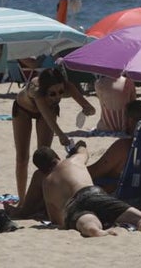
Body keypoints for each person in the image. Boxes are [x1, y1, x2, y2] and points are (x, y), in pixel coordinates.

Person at [35, 143, 141, 237]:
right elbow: (84, 152)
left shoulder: (46, 183)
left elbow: (56, 219)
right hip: (93, 193)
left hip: (73, 205)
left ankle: (93, 229)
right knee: (140, 217)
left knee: (87, 221)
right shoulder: (73, 160)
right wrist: (80, 145)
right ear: (57, 157)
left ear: (41, 170)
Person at [12, 67, 97, 200]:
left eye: (61, 92)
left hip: (49, 111)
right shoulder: (36, 90)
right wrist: (61, 136)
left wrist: (88, 109)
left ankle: (42, 199)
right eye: (52, 94)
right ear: (44, 90)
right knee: (22, 158)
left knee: (45, 159)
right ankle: (22, 200)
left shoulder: (68, 86)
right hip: (23, 110)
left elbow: (90, 108)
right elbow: (47, 117)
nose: (57, 97)